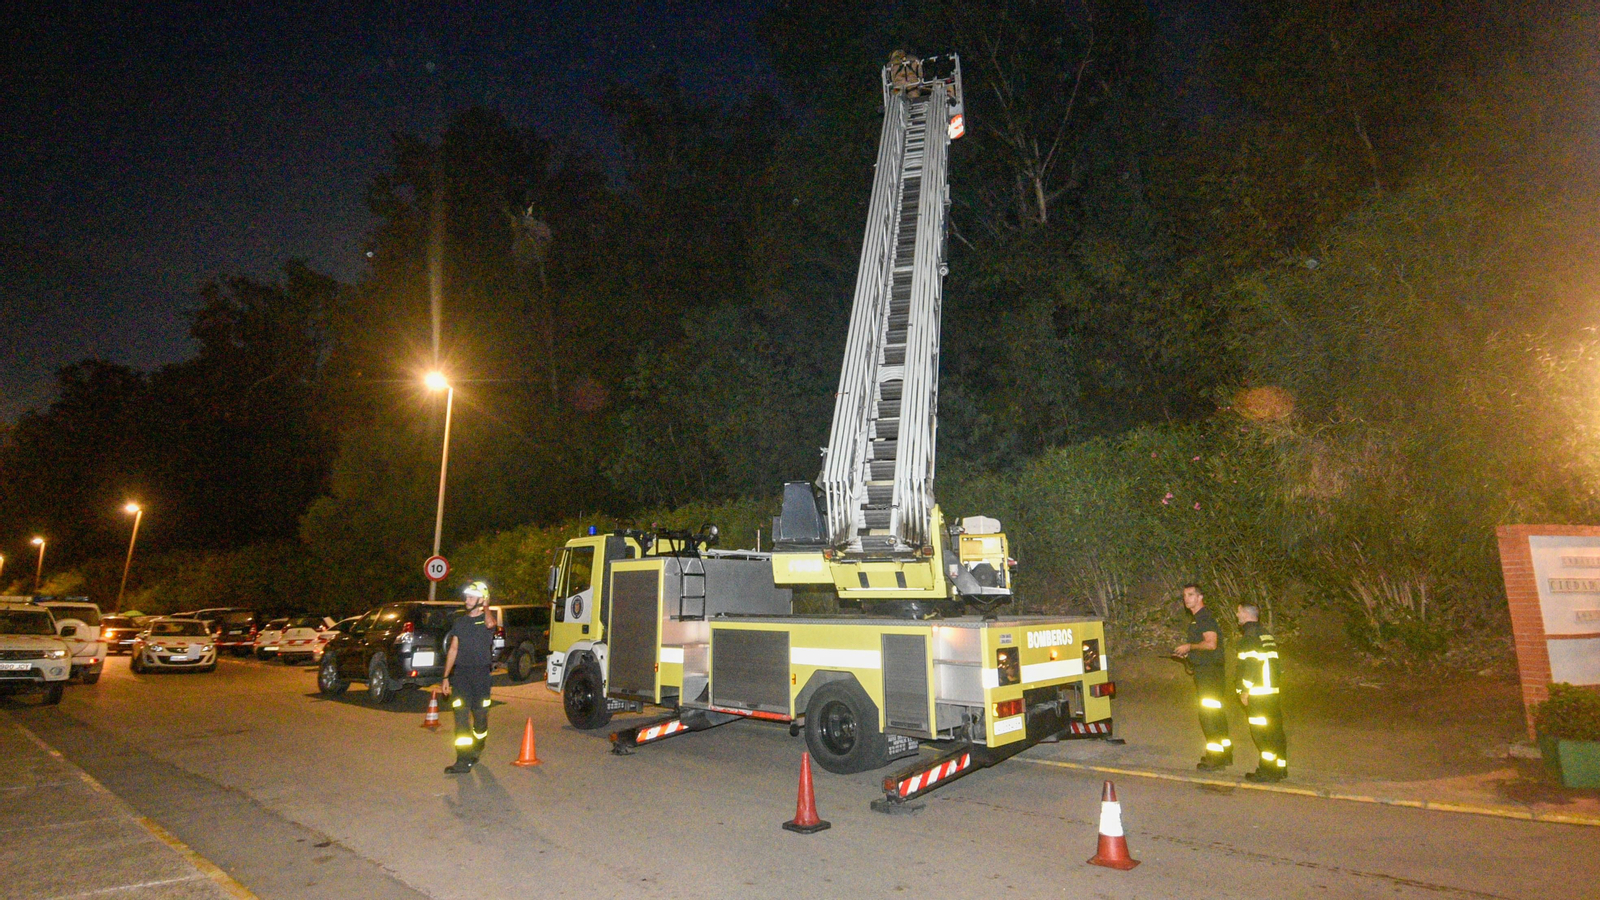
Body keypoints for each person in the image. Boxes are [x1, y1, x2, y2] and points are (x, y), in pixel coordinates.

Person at [441, 581, 499, 775]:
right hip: (462, 676)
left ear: (481, 600)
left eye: (471, 597)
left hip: (481, 676)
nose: (467, 600)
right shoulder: (460, 623)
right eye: (466, 597)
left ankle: (478, 745)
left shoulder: (487, 620)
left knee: (480, 718)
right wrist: (446, 677)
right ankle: (462, 760)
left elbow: (491, 625)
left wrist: (486, 606)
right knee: (461, 717)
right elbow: (453, 649)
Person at [1174, 583, 1233, 770]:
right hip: (1209, 672)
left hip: (1209, 674)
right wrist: (1188, 655)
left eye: (1191, 595)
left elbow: (1211, 644)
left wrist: (1189, 647)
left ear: (1200, 597)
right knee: (1216, 714)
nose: (1186, 598)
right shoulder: (1197, 619)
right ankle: (1225, 754)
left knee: (1209, 716)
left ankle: (1215, 758)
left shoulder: (1204, 617)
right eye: (1185, 595)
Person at [1235, 604, 1288, 782]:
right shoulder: (1266, 635)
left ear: (1246, 614)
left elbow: (1251, 665)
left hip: (1258, 693)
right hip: (1271, 692)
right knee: (1275, 732)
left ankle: (1267, 771)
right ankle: (1280, 768)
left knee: (1262, 734)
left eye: (1239, 612)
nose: (1237, 615)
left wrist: (1245, 690)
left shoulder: (1250, 637)